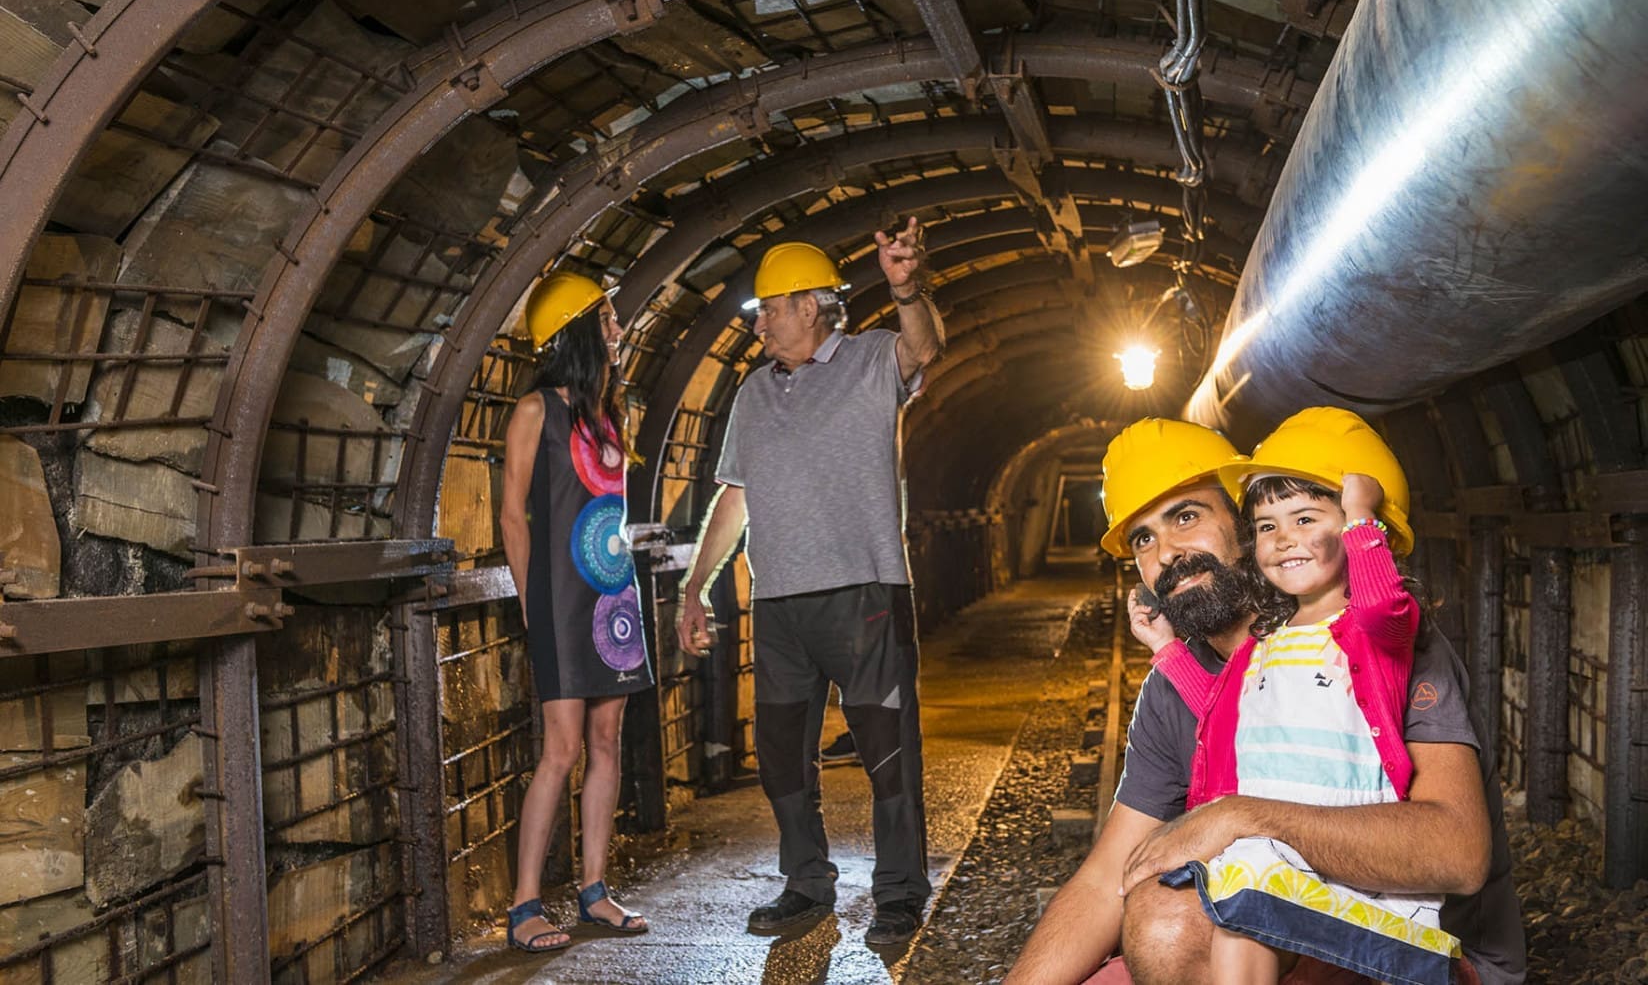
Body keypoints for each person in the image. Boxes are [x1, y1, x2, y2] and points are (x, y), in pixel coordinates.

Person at [1005, 417, 1525, 985]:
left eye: (1185, 517)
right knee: (1154, 927)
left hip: (1421, 950)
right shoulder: (1175, 688)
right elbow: (1109, 879)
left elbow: (1457, 854)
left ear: (1242, 527)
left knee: (1172, 922)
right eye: (1143, 539)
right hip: (1271, 922)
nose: (1167, 554)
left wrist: (1240, 818)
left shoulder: (1387, 647)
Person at [674, 222, 943, 947]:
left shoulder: (871, 359)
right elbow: (735, 495)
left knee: (887, 753)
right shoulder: (753, 393)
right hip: (781, 603)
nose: (759, 324)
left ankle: (898, 894)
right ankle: (805, 885)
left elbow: (923, 347)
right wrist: (695, 585)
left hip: (866, 595)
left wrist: (905, 287)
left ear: (811, 306)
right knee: (782, 756)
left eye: (768, 309)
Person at [1130, 409, 1459, 984]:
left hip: (1350, 853)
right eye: (1265, 527)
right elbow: (1220, 709)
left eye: (1306, 519)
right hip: (1274, 852)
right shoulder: (1267, 647)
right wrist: (1166, 651)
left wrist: (1361, 519)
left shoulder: (1370, 634)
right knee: (1239, 924)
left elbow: (1383, 605)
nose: (1284, 540)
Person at [499, 272, 655, 953]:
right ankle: (524, 904)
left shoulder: (611, 413)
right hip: (561, 601)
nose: (618, 331)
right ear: (577, 331)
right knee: (560, 750)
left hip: (614, 597)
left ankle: (594, 890)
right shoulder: (534, 411)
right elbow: (513, 514)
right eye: (609, 319)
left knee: (605, 743)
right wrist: (536, 604)